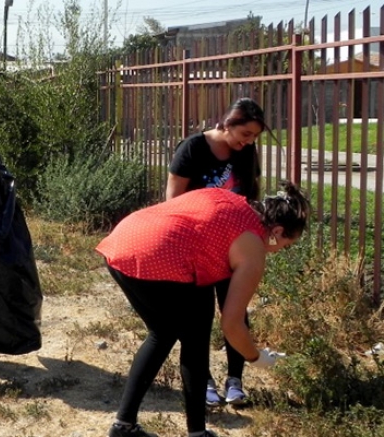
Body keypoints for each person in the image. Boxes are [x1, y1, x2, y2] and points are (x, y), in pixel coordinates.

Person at [97, 181, 310, 437]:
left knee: (164, 333)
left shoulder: (230, 200)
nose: (279, 251)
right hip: (159, 257)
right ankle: (195, 433)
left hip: (123, 241)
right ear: (276, 230)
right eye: (285, 245)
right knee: (194, 340)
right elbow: (232, 324)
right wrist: (255, 357)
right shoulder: (253, 248)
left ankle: (124, 426)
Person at [167, 97, 264, 407]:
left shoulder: (247, 153)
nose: (248, 142)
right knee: (198, 317)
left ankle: (235, 381)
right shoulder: (194, 148)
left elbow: (249, 196)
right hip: (196, 248)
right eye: (245, 134)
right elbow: (173, 200)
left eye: (254, 137)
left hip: (233, 249)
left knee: (235, 311)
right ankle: (204, 381)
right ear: (227, 124)